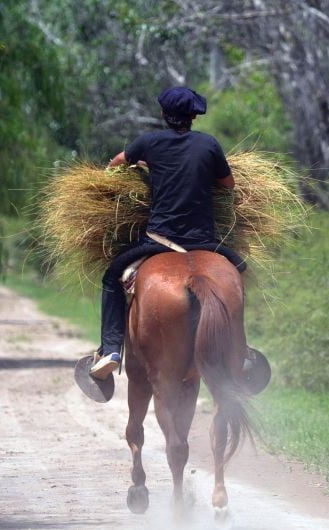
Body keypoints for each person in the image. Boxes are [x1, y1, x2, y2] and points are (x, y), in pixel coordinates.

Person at [87, 86, 244, 379]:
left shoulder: (149, 142)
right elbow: (228, 185)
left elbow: (116, 163)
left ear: (163, 114)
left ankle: (110, 349)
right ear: (193, 117)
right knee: (238, 272)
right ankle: (241, 354)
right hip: (204, 242)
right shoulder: (209, 145)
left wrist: (146, 164)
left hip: (158, 241)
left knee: (111, 278)